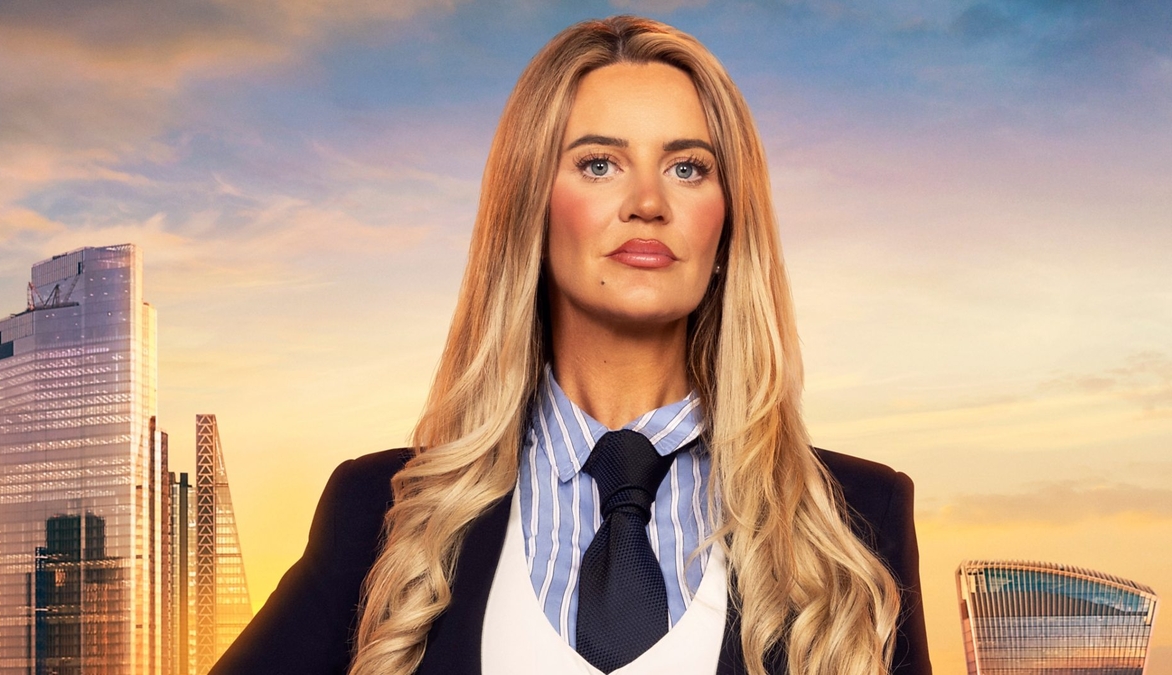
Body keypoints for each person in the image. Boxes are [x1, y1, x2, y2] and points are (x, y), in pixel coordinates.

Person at [212, 15, 930, 675]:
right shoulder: (380, 511)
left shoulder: (858, 519)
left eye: (688, 167)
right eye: (599, 163)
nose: (648, 201)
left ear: (727, 227)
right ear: (532, 208)